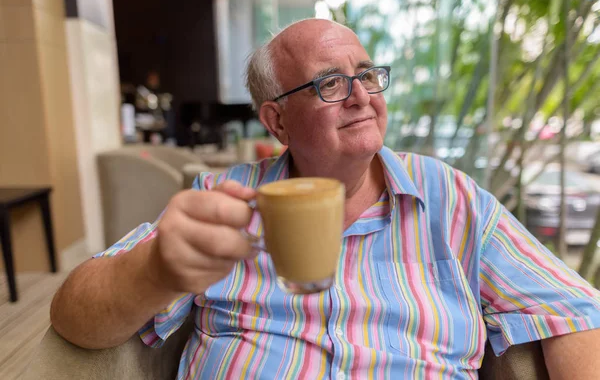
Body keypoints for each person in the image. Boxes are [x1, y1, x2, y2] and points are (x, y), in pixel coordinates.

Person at [51, 19, 600, 379]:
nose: (362, 97)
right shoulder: (224, 199)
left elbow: (574, 307)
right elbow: (75, 315)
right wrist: (156, 270)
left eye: (367, 76)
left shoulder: (452, 199)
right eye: (329, 84)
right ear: (277, 119)